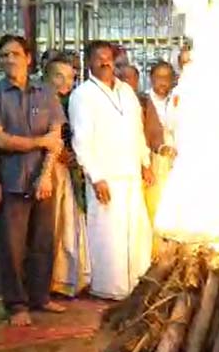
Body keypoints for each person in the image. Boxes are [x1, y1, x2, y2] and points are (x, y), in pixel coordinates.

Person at [0, 35, 67, 327]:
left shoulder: (46, 93)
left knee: (43, 241)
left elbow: (56, 140)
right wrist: (37, 142)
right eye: (3, 55)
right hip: (11, 181)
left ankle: (40, 297)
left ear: (28, 58)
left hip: (44, 180)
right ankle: (17, 305)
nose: (9, 60)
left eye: (15, 54)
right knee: (11, 247)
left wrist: (45, 176)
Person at [69, 40, 154, 300]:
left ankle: (138, 285)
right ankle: (110, 288)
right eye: (99, 58)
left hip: (130, 173)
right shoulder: (82, 95)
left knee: (136, 232)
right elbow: (81, 140)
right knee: (109, 235)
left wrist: (145, 163)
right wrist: (96, 177)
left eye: (109, 58)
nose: (105, 62)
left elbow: (138, 130)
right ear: (89, 63)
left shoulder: (126, 91)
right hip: (106, 177)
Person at [43, 55, 91, 298]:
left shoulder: (74, 101)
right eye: (59, 76)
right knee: (51, 227)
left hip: (69, 171)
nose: (66, 82)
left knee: (69, 224)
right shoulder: (40, 99)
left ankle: (67, 279)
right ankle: (48, 281)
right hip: (47, 169)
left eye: (70, 77)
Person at [142, 61, 177, 224]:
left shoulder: (177, 100)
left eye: (167, 78)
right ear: (151, 78)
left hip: (175, 161)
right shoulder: (142, 102)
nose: (163, 82)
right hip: (152, 161)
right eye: (159, 77)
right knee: (154, 208)